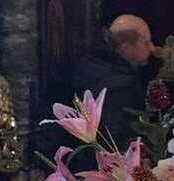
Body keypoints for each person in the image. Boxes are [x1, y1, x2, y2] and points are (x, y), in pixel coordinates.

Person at [66, 13, 154, 143]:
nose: (152, 48)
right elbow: (118, 141)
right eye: (146, 43)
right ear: (126, 48)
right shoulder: (121, 87)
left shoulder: (90, 63)